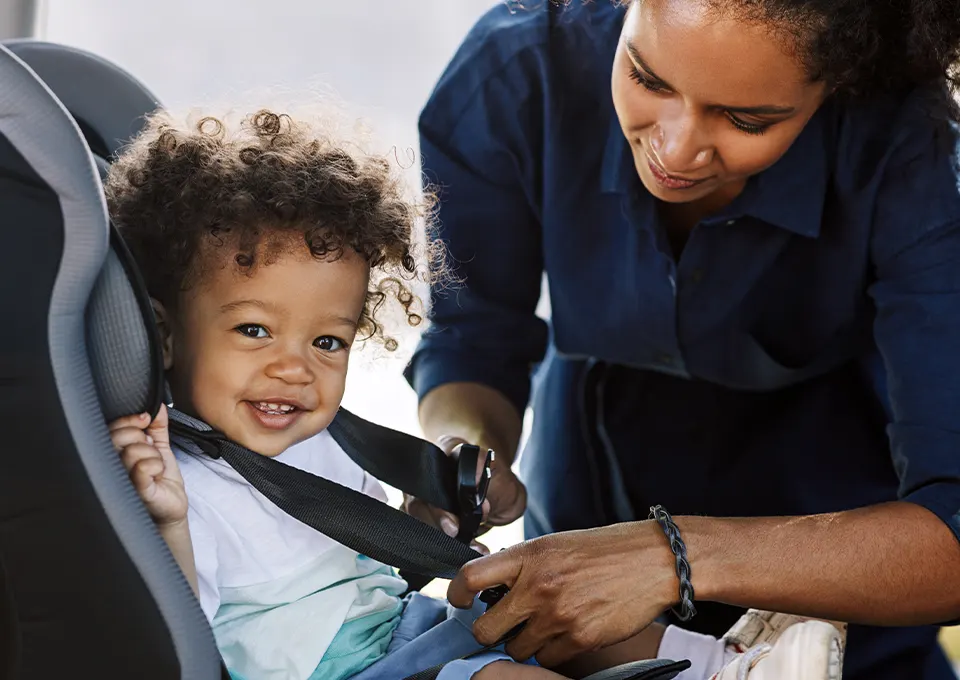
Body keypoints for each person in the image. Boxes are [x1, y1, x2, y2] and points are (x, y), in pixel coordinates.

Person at [102, 107, 845, 680]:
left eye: (327, 342)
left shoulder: (312, 437)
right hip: (339, 672)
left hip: (402, 628)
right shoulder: (176, 483)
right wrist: (166, 521)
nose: (296, 369)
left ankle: (726, 667)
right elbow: (178, 638)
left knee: (554, 592)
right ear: (164, 335)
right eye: (256, 331)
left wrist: (421, 521)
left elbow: (358, 565)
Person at [402, 0, 960, 678]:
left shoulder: (917, 145)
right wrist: (462, 453)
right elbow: (474, 337)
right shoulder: (516, 70)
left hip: (841, 551)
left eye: (745, 118)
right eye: (648, 78)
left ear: (839, 82)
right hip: (580, 526)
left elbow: (952, 528)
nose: (675, 148)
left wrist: (673, 556)